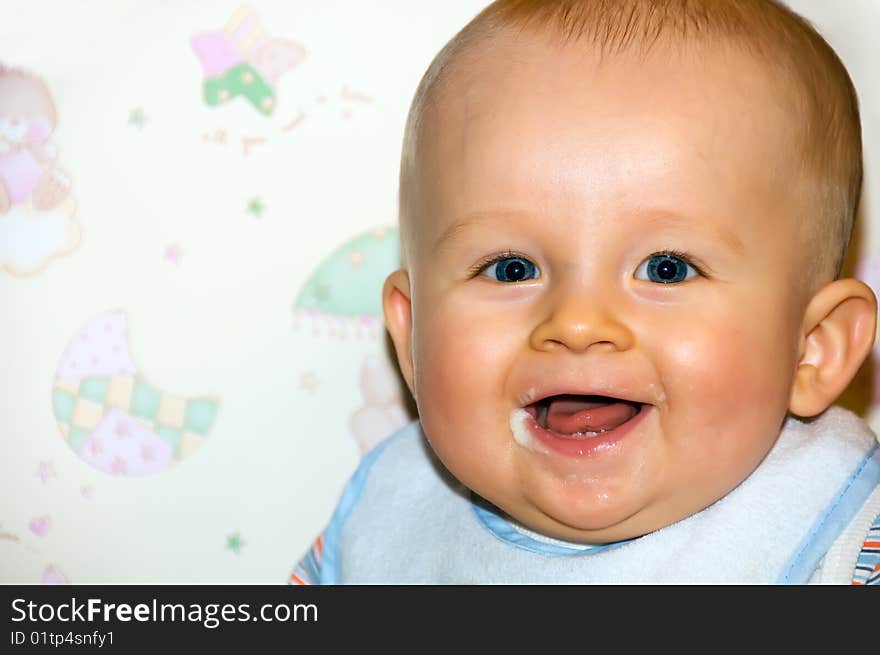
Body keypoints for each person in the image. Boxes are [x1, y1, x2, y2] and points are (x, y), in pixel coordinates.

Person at [290, 0, 880, 584]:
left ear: (812, 347)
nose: (575, 322)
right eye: (511, 269)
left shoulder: (842, 535)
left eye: (666, 268)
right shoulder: (393, 521)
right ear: (413, 338)